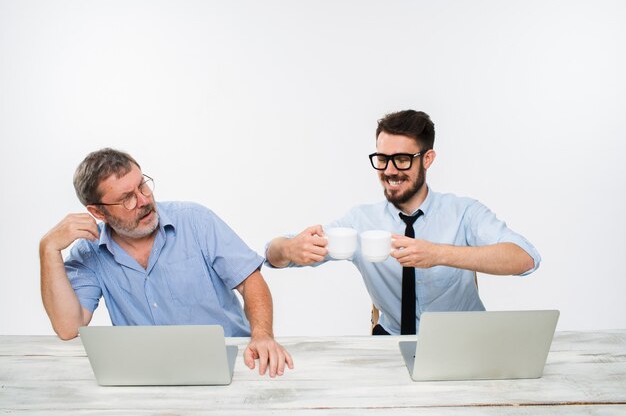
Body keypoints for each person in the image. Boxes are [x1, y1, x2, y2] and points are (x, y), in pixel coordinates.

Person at [265, 110, 541, 336]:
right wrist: (288, 249)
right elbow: (272, 255)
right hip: (391, 343)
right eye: (382, 159)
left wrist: (438, 253)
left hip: (464, 340)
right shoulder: (361, 221)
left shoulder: (464, 212)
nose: (389, 171)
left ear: (427, 159)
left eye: (402, 160)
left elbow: (525, 259)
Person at [40, 148, 293, 377]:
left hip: (233, 363)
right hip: (147, 374)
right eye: (127, 197)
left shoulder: (196, 221)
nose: (143, 200)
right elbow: (68, 328)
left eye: (142, 185)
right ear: (98, 212)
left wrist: (262, 335)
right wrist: (48, 249)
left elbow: (250, 280)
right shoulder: (90, 251)